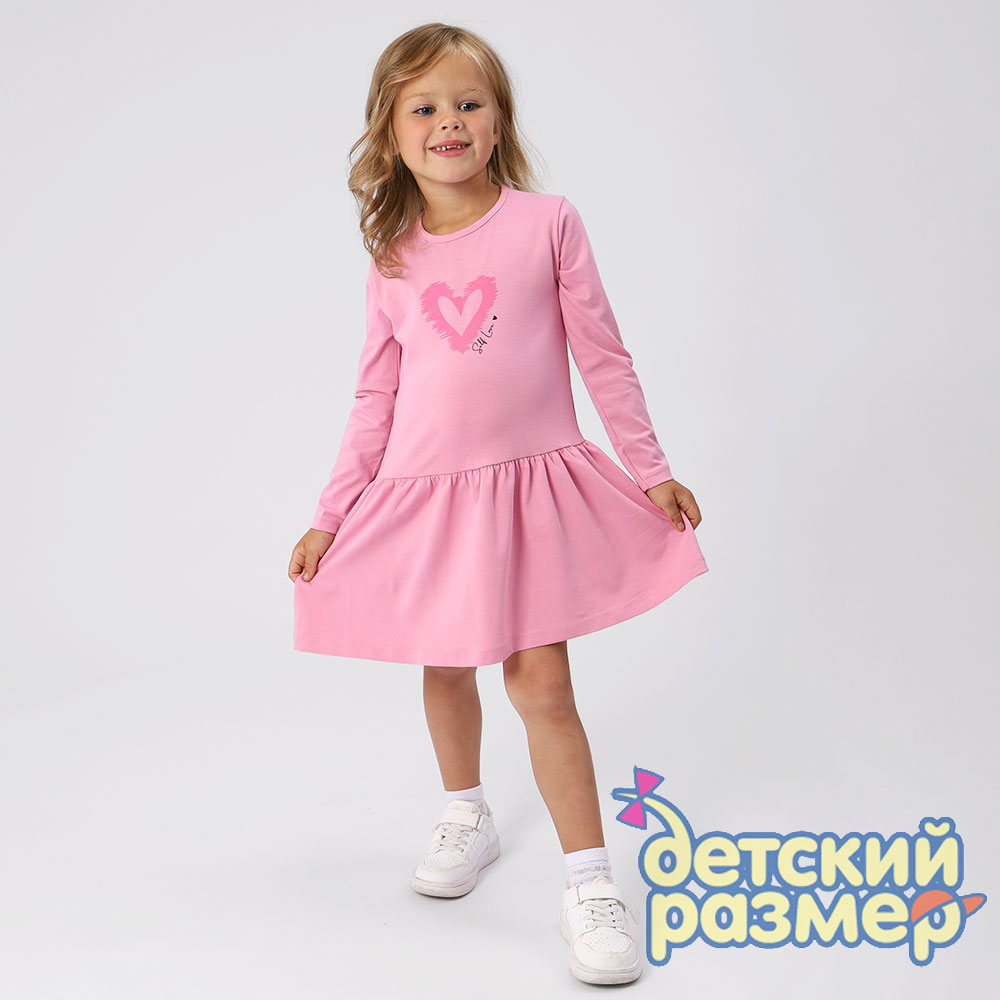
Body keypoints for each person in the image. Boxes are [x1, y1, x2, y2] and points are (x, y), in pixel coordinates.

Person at [288, 22, 709, 986]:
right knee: (445, 667)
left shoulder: (547, 222)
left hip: (530, 492)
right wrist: (330, 514)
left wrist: (649, 469)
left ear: (498, 121)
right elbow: (374, 397)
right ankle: (466, 811)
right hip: (428, 499)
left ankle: (589, 882)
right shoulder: (392, 258)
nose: (449, 121)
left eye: (468, 103)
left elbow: (602, 355)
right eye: (424, 107)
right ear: (391, 134)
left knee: (543, 686)